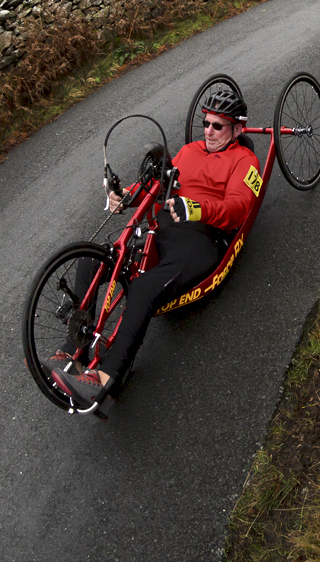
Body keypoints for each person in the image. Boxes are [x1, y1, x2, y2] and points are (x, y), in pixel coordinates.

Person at [50, 89, 262, 408]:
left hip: (200, 238)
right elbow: (160, 184)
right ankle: (71, 352)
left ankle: (105, 379)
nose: (208, 130)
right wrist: (126, 197)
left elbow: (238, 208)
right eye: (206, 123)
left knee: (143, 288)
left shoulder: (246, 161)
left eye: (218, 126)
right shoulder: (190, 150)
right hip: (162, 227)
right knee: (93, 260)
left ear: (237, 129)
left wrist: (197, 208)